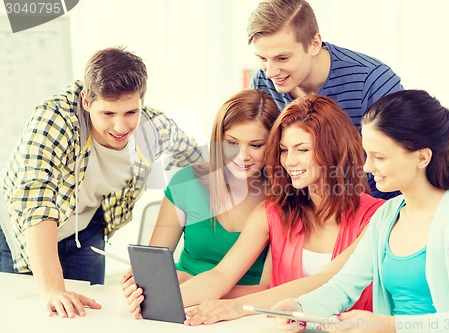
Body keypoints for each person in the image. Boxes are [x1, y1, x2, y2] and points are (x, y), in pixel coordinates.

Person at [123, 94, 385, 322]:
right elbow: (221, 275)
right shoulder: (276, 211)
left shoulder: (378, 216)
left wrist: (237, 307)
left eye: (302, 149)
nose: (290, 160)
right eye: (283, 150)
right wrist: (157, 300)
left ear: (332, 150)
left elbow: (328, 280)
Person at [272, 90, 449, 333]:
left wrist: (388, 326)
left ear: (421, 157)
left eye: (379, 157)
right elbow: (344, 286)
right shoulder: (387, 214)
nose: (368, 167)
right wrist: (298, 307)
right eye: (367, 154)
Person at [0, 47, 203, 319]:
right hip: (24, 235)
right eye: (108, 114)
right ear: (86, 100)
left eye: (131, 112)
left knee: (86, 318)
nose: (120, 127)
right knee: (26, 318)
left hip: (86, 232)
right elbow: (36, 203)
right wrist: (51, 288)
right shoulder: (54, 119)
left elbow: (196, 163)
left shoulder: (156, 128)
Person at [119, 88, 280, 317]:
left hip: (242, 310)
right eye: (232, 143)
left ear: (273, 144)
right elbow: (155, 266)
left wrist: (190, 285)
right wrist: (144, 284)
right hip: (180, 300)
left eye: (256, 145)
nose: (242, 156)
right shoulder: (187, 182)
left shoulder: (281, 199)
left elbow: (268, 289)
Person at [247, 0, 403, 200]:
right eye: (262, 59)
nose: (270, 72)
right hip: (301, 208)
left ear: (314, 44)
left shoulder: (372, 81)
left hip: (373, 208)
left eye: (282, 58)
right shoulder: (262, 83)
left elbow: (396, 162)